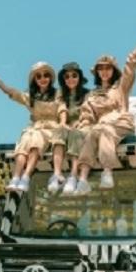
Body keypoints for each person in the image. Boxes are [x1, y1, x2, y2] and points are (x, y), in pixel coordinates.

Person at [66, 24, 136, 195]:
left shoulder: (120, 87)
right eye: (101, 69)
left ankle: (107, 171)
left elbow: (130, 66)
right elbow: (87, 117)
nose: (104, 72)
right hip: (100, 127)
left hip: (120, 122)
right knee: (91, 133)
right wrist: (78, 126)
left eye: (108, 68)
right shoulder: (92, 95)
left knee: (103, 130)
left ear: (113, 70)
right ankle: (82, 180)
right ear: (97, 72)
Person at [0, 61, 60, 192]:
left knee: (35, 142)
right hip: (34, 127)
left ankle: (26, 177)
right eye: (38, 76)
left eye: (46, 75)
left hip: (51, 128)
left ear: (50, 78)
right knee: (24, 143)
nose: (43, 79)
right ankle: (16, 178)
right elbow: (7, 90)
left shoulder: (58, 95)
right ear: (34, 79)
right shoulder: (30, 97)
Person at [48, 62, 90, 193]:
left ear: (79, 77)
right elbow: (61, 111)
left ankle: (73, 175)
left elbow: (88, 111)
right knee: (59, 130)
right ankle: (57, 174)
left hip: (83, 124)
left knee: (76, 133)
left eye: (74, 75)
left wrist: (80, 122)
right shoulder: (60, 95)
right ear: (63, 79)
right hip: (66, 124)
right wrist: (63, 124)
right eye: (67, 77)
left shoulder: (88, 94)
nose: (71, 79)